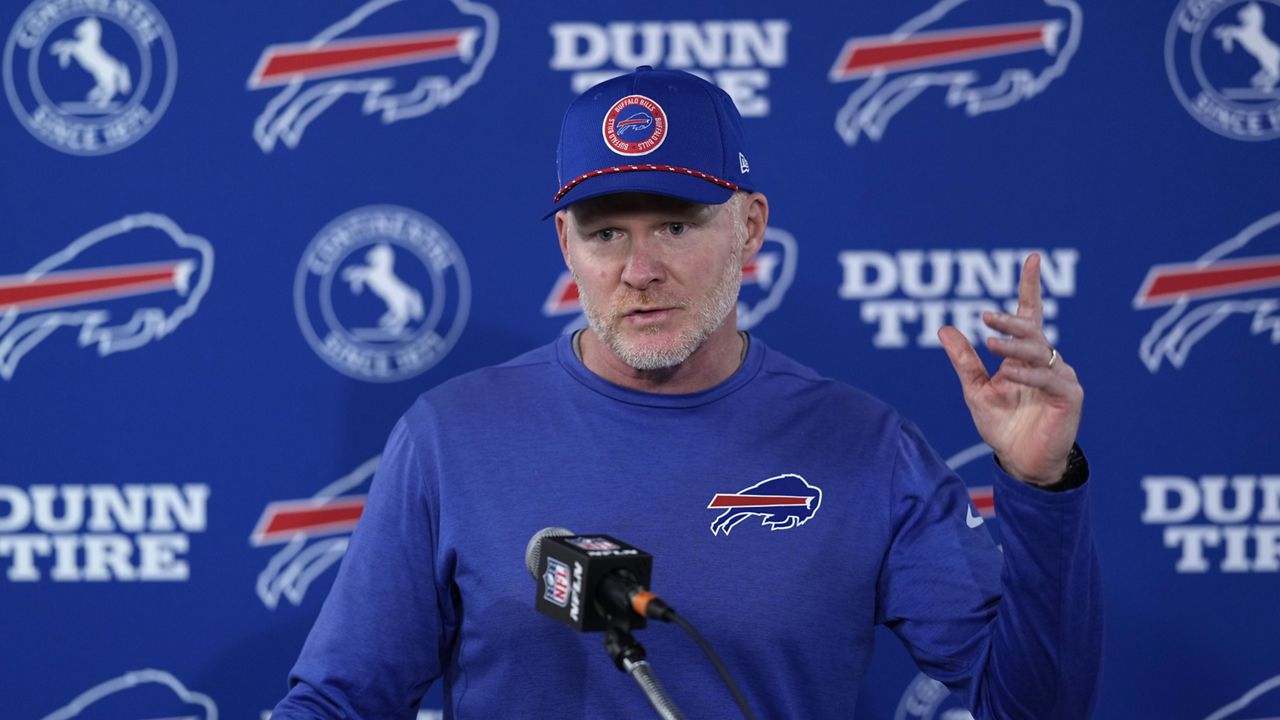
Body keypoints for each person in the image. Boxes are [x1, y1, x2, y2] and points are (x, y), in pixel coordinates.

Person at [271, 66, 1101, 719]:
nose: (640, 270)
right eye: (606, 233)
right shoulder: (450, 438)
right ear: (566, 242)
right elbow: (343, 701)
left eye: (676, 223)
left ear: (749, 227)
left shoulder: (865, 447)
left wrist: (1041, 489)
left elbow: (1032, 709)